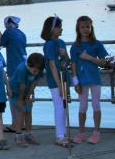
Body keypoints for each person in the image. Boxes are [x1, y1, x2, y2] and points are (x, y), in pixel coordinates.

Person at [70, 16, 109, 145]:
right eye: (82, 27)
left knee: (96, 105)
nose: (85, 29)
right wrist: (75, 82)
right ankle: (81, 133)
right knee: (82, 106)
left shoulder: (97, 44)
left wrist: (90, 58)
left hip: (94, 80)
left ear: (91, 28)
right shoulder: (75, 46)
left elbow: (103, 63)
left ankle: (96, 133)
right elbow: (73, 65)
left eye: (88, 26)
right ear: (78, 29)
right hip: (82, 81)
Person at [41, 16, 70, 147]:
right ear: (52, 29)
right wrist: (59, 85)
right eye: (59, 27)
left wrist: (65, 54)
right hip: (55, 81)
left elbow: (67, 61)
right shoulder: (49, 45)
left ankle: (63, 133)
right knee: (59, 107)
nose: (61, 29)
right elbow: (52, 65)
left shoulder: (61, 42)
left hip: (64, 78)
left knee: (64, 107)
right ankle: (59, 135)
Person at [9, 52, 45, 147]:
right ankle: (18, 136)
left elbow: (34, 83)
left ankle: (28, 134)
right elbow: (21, 86)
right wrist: (21, 100)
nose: (36, 72)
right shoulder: (21, 70)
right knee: (21, 112)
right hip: (16, 92)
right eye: (34, 71)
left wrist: (28, 96)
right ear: (29, 65)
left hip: (26, 91)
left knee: (28, 111)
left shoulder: (38, 69)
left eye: (38, 71)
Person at [1, 16, 28, 134]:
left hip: (13, 68)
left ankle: (15, 124)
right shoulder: (21, 33)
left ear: (8, 24)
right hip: (24, 65)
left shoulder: (8, 32)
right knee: (23, 96)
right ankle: (23, 123)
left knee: (13, 97)